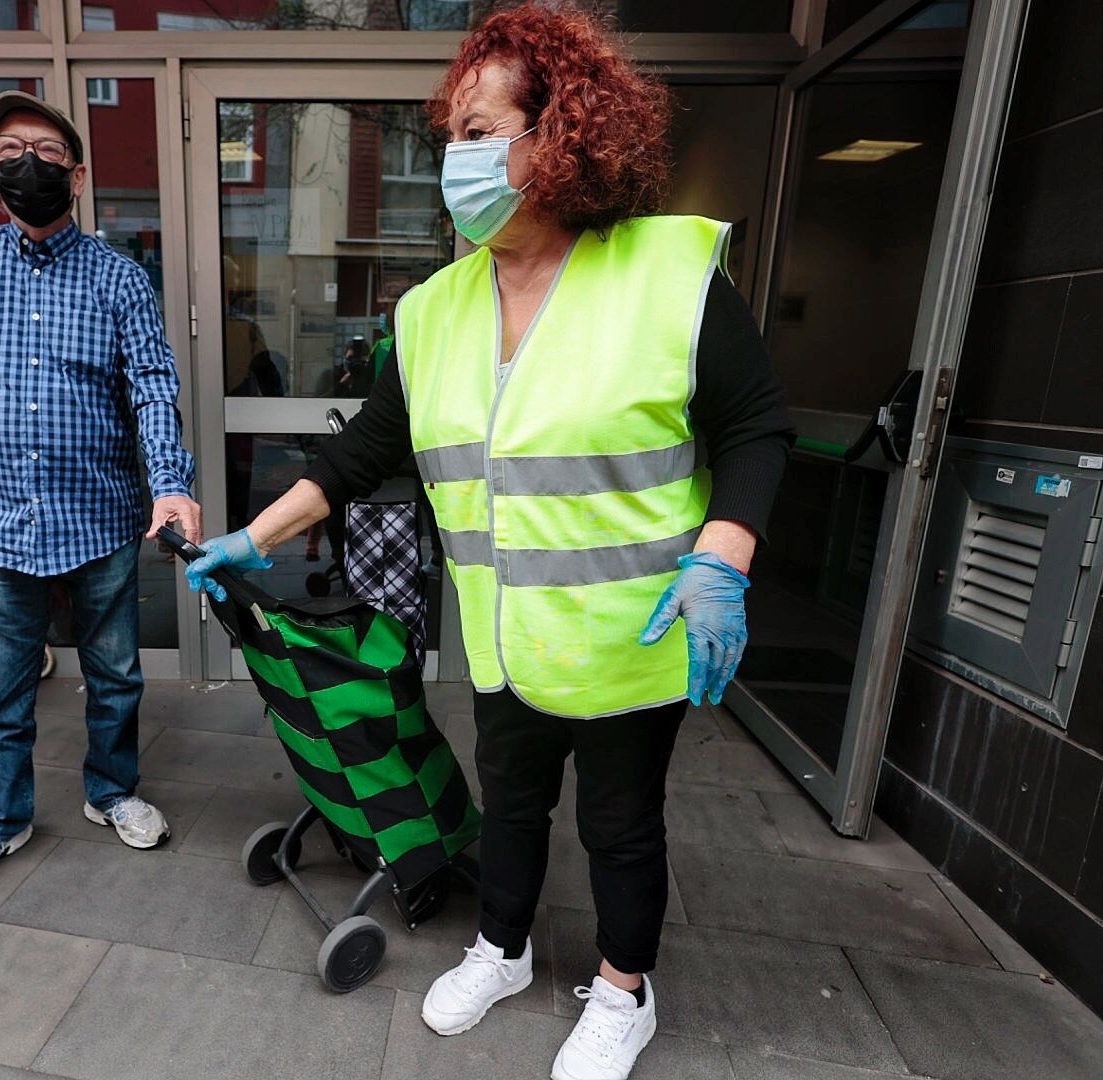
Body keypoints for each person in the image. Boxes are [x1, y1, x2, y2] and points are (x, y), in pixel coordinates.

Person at [181, 7, 793, 1079]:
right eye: (451, 136)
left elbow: (755, 427)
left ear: (562, 137)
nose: (459, 158)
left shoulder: (667, 275)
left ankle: (621, 991)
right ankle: (502, 950)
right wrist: (253, 533)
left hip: (628, 638)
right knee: (506, 807)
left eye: (481, 131)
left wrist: (723, 557)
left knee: (620, 830)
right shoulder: (432, 311)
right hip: (507, 638)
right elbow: (364, 451)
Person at [0, 91, 202, 902]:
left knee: (116, 676)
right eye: (10, 151)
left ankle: (111, 791)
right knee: (1, 692)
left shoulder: (120, 278)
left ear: (76, 175)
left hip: (101, 518)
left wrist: (170, 486)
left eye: (44, 152)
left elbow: (152, 387)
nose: (26, 164)